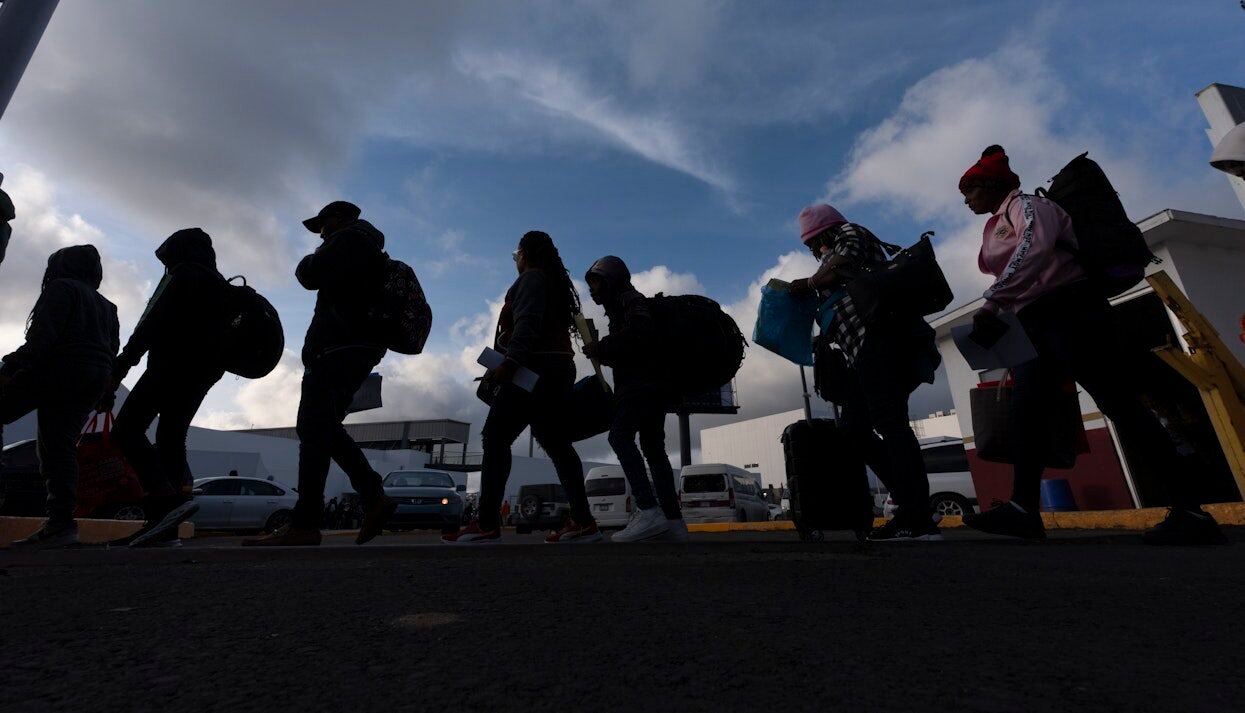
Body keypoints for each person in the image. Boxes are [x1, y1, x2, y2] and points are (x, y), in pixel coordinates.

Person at [958, 145, 1227, 545]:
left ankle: (1191, 509)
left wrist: (995, 298)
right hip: (1036, 319)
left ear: (989, 184)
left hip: (1070, 311)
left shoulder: (1028, 206)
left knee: (1118, 403)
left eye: (969, 190)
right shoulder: (1001, 219)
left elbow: (1035, 246)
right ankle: (1023, 510)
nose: (965, 200)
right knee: (1027, 409)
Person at [245, 201, 397, 546]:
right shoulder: (368, 246)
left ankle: (305, 524)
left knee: (313, 429)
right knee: (323, 427)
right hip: (354, 348)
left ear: (339, 220)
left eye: (324, 226)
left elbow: (308, 275)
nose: (322, 233)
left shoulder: (349, 241)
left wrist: (311, 258)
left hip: (336, 348)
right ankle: (373, 497)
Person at [789, 204, 941, 542]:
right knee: (854, 428)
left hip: (882, 340)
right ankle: (909, 505)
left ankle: (917, 519)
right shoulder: (833, 252)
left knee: (891, 424)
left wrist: (808, 283)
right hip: (863, 353)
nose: (813, 251)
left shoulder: (850, 233)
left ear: (822, 232)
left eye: (811, 242)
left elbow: (843, 265)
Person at [444, 231, 601, 544]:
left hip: (533, 369)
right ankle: (583, 521)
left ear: (526, 253)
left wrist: (509, 364)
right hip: (558, 369)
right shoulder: (555, 284)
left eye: (517, 253)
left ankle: (487, 523)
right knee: (555, 442)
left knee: (495, 437)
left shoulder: (531, 279)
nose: (516, 259)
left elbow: (527, 324)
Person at [105, 228, 228, 548]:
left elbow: (150, 323)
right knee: (170, 436)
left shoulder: (183, 273)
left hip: (170, 366)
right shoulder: (219, 283)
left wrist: (119, 370)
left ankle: (164, 501)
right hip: (205, 372)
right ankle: (166, 525)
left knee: (126, 431)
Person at [1, 246, 119, 549]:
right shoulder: (108, 306)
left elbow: (41, 341)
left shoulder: (60, 288)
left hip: (57, 369)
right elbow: (112, 352)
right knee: (60, 449)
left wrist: (9, 366)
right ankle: (61, 523)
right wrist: (107, 391)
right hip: (92, 379)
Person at [583, 255, 687, 543]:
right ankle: (673, 521)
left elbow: (641, 332)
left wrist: (601, 347)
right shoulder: (623, 303)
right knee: (653, 448)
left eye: (596, 282)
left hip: (639, 386)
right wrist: (603, 352)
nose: (592, 290)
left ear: (612, 279)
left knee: (619, 437)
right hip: (655, 386)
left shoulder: (629, 299)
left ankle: (647, 509)